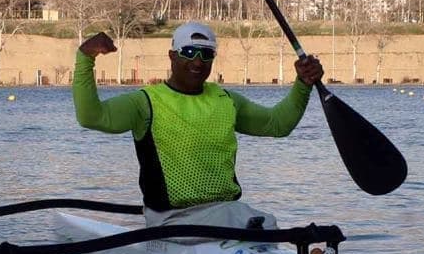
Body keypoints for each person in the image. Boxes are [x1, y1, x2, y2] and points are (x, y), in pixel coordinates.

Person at [73, 21, 324, 228]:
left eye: (206, 54)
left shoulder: (226, 100)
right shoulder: (145, 102)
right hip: (172, 221)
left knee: (264, 224)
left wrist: (302, 84)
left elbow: (277, 124)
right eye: (189, 52)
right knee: (263, 225)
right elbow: (91, 116)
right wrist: (86, 58)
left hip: (224, 214)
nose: (198, 62)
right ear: (172, 56)